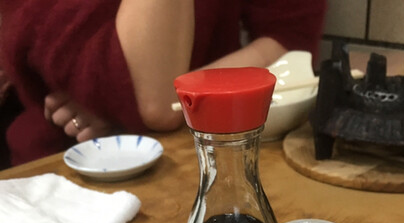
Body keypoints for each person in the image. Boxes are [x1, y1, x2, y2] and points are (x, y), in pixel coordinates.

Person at [0, 0, 326, 166]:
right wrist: (123, 96)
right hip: (53, 170)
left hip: (200, 155)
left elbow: (288, 41)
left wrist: (122, 101)